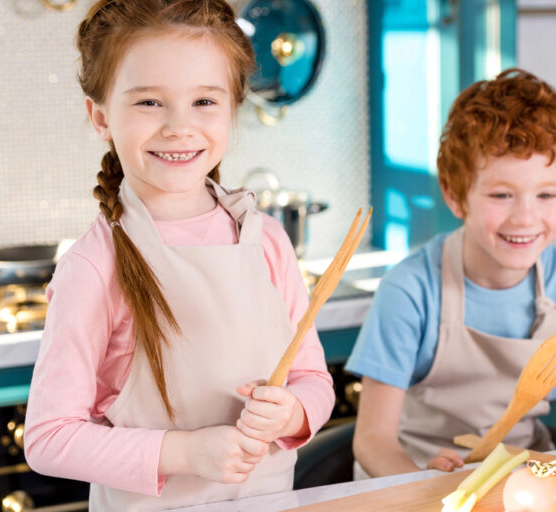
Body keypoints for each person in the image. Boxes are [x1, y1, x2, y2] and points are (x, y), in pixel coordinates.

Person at [23, 1, 334, 509]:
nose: (178, 127)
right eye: (149, 102)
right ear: (100, 116)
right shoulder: (95, 264)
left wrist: (293, 413)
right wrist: (183, 452)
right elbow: (49, 438)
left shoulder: (266, 240)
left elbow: (313, 380)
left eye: (204, 102)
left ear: (233, 107)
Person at [346, 68, 556, 479]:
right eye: (501, 195)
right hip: (413, 476)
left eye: (546, 195)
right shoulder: (410, 288)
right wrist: (419, 484)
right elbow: (373, 441)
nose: (525, 218)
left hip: (526, 479)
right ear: (454, 194)